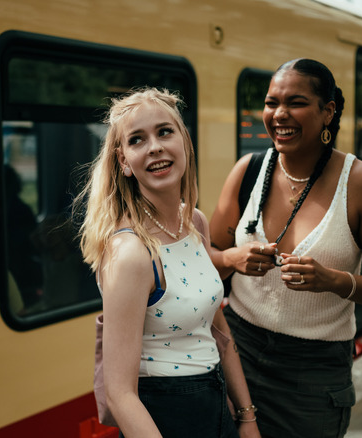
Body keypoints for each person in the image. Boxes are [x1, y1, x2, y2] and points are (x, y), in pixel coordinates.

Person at [209, 58, 362, 437]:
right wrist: (232, 258)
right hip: (235, 353)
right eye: (270, 103)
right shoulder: (248, 171)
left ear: (327, 111)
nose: (279, 114)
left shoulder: (361, 183)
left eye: (295, 102)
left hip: (313, 374)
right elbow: (205, 260)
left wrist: (334, 281)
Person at [76, 87, 261, 438]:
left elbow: (218, 329)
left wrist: (247, 417)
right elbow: (120, 393)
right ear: (124, 162)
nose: (155, 147)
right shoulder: (131, 254)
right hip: (166, 415)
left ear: (184, 142)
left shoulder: (194, 223)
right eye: (137, 140)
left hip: (215, 403)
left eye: (164, 132)